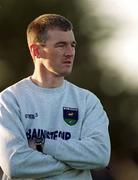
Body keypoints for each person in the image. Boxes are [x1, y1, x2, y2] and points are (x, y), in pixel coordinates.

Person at [0, 14, 111, 180]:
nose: (70, 52)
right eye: (61, 45)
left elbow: (100, 155)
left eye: (72, 45)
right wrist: (75, 162)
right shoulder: (9, 100)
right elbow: (15, 164)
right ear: (36, 50)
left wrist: (42, 145)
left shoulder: (88, 101)